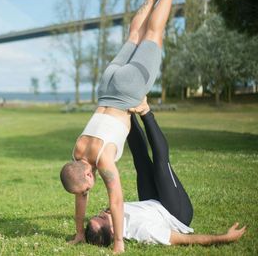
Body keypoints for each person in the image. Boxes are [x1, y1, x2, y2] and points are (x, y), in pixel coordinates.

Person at [60, 0, 190, 253]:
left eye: (87, 186)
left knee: (153, 36)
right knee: (134, 36)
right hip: (107, 86)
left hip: (128, 90)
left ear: (86, 172)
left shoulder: (103, 161)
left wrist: (118, 242)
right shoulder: (77, 152)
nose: (87, 191)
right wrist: (79, 232)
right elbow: (80, 193)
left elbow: (116, 201)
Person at [85, 103, 247, 247]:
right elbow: (186, 240)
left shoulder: (114, 214)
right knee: (161, 164)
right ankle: (145, 111)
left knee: (140, 162)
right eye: (103, 218)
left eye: (97, 215)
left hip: (152, 203)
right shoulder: (143, 231)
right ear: (114, 232)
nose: (103, 212)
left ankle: (128, 106)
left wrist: (79, 233)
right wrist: (224, 238)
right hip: (175, 212)